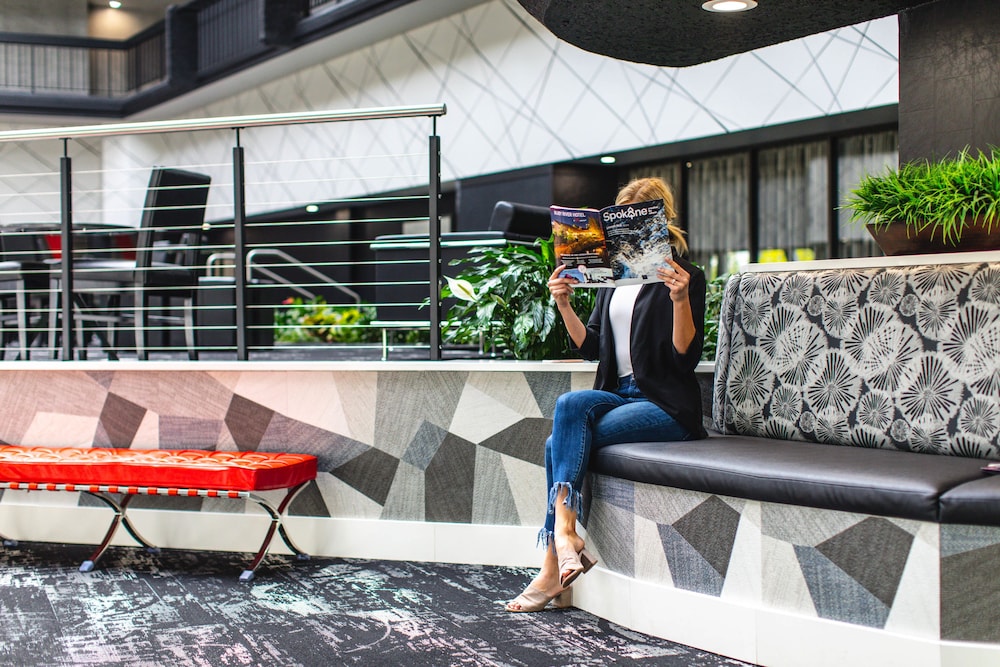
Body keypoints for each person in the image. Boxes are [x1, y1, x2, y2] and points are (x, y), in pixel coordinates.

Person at [505, 177, 708, 613]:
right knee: (570, 405)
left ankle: (554, 558)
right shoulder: (612, 281)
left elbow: (684, 356)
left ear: (659, 223)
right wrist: (563, 305)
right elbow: (591, 347)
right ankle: (565, 537)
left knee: (553, 443)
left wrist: (679, 300)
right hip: (620, 394)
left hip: (666, 407)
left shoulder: (686, 277)